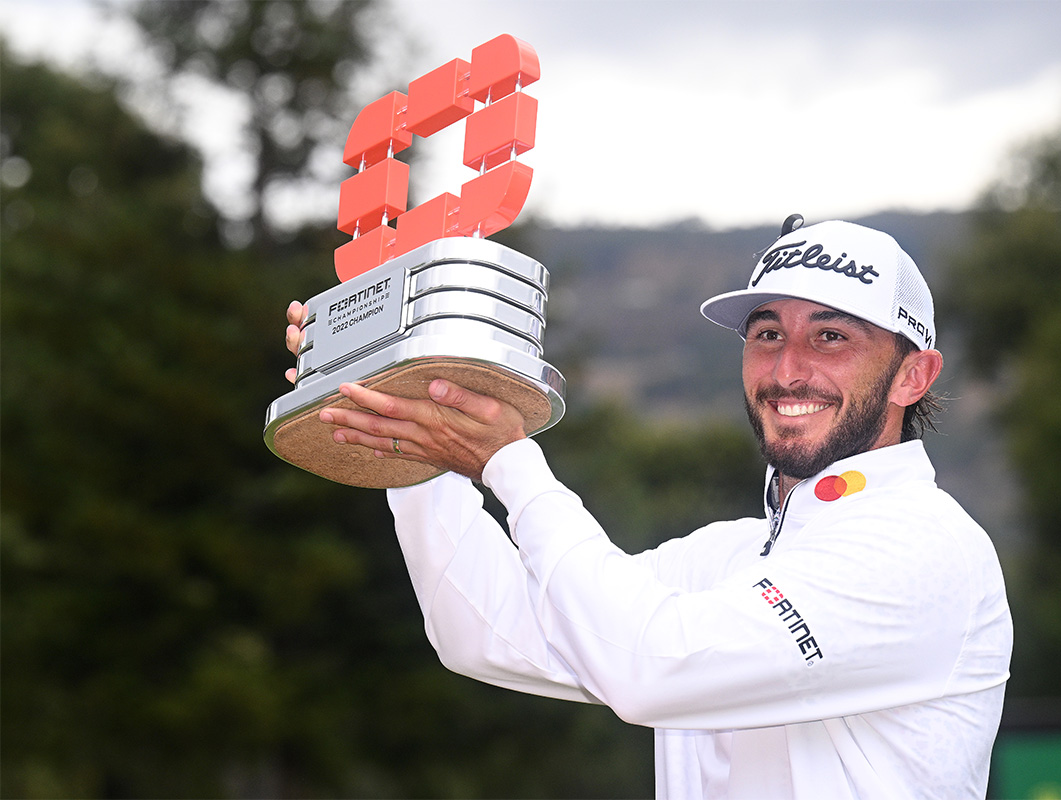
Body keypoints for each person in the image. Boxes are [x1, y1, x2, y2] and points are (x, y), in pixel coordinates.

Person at [284, 217, 1013, 799]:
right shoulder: (730, 554)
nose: (788, 368)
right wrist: (409, 427)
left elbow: (650, 666)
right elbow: (486, 631)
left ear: (913, 375)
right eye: (768, 334)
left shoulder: (923, 546)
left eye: (831, 337)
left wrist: (509, 462)